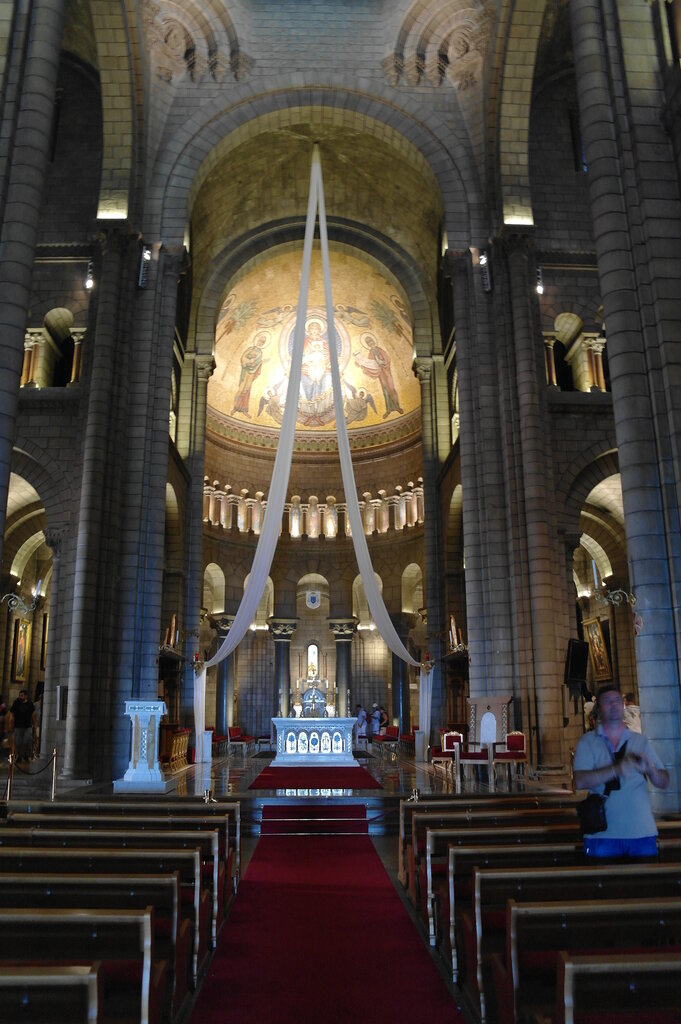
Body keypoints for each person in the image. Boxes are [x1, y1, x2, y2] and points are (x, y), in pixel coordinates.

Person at [573, 682, 669, 859]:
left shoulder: (640, 741)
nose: (614, 705)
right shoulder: (588, 742)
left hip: (641, 832)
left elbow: (664, 782)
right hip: (602, 834)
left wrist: (651, 770)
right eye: (607, 701)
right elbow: (579, 781)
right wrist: (617, 769)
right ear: (599, 709)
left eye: (617, 700)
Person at [8, 689, 38, 764]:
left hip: (27, 726)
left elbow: (33, 714)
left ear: (26, 696)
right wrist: (10, 722)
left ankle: (26, 754)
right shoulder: (16, 702)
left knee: (27, 740)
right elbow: (12, 713)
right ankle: (19, 756)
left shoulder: (30, 704)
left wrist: (35, 723)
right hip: (18, 726)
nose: (20, 697)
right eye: (19, 695)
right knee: (18, 742)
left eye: (22, 696)